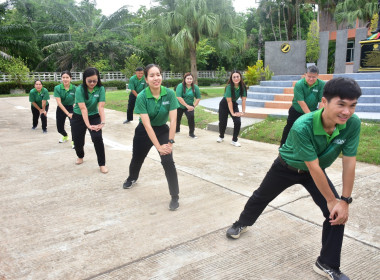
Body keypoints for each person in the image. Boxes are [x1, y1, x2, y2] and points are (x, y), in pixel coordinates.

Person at [226, 77, 362, 280]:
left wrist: (344, 201)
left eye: (352, 106)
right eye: (341, 104)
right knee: (261, 196)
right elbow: (313, 167)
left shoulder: (352, 124)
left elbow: (349, 162)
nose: (347, 111)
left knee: (336, 214)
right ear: (324, 102)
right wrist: (333, 200)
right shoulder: (302, 125)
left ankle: (326, 263)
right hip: (286, 167)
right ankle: (241, 222)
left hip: (313, 172)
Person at [122, 64, 180, 211]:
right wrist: (158, 147)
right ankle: (132, 178)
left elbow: (173, 120)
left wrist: (170, 143)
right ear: (146, 79)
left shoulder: (169, 94)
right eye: (152, 75)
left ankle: (175, 196)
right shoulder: (141, 96)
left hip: (162, 130)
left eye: (158, 74)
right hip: (144, 131)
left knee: (168, 161)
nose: (156, 78)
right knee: (137, 158)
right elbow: (147, 125)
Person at [71, 67, 108, 174]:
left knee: (97, 139)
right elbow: (83, 109)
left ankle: (102, 164)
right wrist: (88, 125)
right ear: (84, 79)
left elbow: (101, 107)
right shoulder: (80, 89)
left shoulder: (100, 89)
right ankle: (80, 156)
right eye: (89, 81)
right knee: (78, 141)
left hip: (94, 116)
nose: (92, 83)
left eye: (95, 81)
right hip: (78, 117)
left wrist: (102, 122)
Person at [280, 65, 325, 147]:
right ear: (305, 75)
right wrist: (310, 116)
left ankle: (304, 148)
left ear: (318, 76)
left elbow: (322, 101)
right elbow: (301, 102)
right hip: (296, 110)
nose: (311, 79)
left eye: (314, 77)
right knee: (289, 128)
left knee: (309, 131)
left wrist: (318, 115)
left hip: (312, 111)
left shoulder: (322, 84)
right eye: (309, 76)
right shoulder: (299, 84)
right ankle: (283, 147)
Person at [217, 70, 247, 147]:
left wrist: (243, 112)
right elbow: (229, 102)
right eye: (234, 77)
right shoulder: (229, 87)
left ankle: (234, 140)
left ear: (240, 77)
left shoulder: (243, 87)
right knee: (223, 122)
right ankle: (221, 136)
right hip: (224, 104)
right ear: (231, 78)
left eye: (237, 76)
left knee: (237, 121)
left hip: (233, 104)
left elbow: (243, 100)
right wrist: (233, 113)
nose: (236, 78)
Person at [54, 71, 76, 148]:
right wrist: (67, 113)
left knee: (74, 125)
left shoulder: (74, 88)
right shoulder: (57, 88)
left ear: (70, 78)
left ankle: (74, 141)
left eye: (67, 77)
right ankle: (65, 136)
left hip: (72, 108)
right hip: (61, 108)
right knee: (59, 128)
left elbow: (77, 99)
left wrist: (74, 105)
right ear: (61, 78)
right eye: (63, 77)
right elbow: (59, 103)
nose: (65, 79)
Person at [175, 72, 201, 138]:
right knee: (177, 118)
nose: (189, 80)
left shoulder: (195, 87)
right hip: (179, 106)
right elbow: (179, 97)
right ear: (185, 79)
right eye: (188, 78)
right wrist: (186, 106)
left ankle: (191, 133)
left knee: (191, 117)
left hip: (190, 106)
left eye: (191, 79)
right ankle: (177, 129)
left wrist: (193, 106)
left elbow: (198, 97)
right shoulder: (180, 86)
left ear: (193, 80)